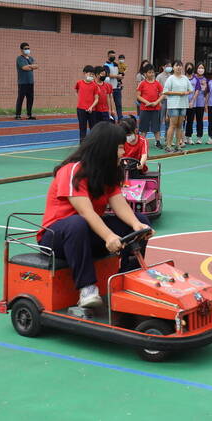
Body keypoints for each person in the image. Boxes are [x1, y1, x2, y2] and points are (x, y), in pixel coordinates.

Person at [39, 122, 153, 308]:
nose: (123, 152)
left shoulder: (107, 173)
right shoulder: (72, 171)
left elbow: (119, 204)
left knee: (141, 221)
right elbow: (86, 212)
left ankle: (128, 280)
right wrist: (108, 236)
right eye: (120, 148)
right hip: (56, 238)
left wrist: (136, 225)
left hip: (87, 234)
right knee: (77, 222)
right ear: (105, 149)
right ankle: (87, 289)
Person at [162, 60, 192, 152]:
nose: (178, 67)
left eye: (180, 66)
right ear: (173, 68)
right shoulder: (171, 78)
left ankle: (178, 145)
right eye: (176, 65)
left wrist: (186, 92)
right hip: (173, 105)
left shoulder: (185, 78)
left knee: (180, 125)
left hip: (183, 105)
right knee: (172, 125)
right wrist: (178, 93)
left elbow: (191, 89)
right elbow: (165, 91)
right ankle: (168, 145)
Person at [136, 63, 164, 149]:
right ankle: (142, 143)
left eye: (152, 72)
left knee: (156, 126)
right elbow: (138, 95)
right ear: (145, 74)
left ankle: (158, 141)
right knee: (143, 127)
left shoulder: (157, 83)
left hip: (155, 108)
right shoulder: (142, 83)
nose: (151, 74)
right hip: (145, 108)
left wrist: (156, 102)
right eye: (149, 72)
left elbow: (162, 94)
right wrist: (146, 102)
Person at [74, 65, 99, 141]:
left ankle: (92, 144)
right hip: (81, 109)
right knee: (82, 128)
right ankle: (82, 145)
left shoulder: (95, 85)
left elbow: (97, 99)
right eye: (89, 74)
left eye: (92, 74)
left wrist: (91, 107)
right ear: (84, 73)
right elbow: (76, 91)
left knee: (93, 128)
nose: (91, 76)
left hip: (92, 110)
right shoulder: (79, 83)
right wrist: (80, 99)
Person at [15, 42, 39, 120]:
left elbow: (37, 66)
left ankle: (29, 115)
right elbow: (24, 68)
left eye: (28, 48)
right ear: (21, 50)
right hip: (22, 82)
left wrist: (30, 66)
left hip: (30, 82)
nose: (27, 50)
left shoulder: (31, 58)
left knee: (30, 99)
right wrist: (31, 66)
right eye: (26, 49)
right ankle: (18, 115)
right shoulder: (19, 58)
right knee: (20, 98)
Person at [185, 63, 208, 144]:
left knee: (199, 120)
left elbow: (205, 93)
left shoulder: (205, 80)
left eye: (202, 68)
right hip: (189, 103)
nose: (200, 69)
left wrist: (205, 104)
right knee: (187, 120)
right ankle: (185, 136)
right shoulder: (191, 77)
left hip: (199, 103)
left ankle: (199, 137)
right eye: (199, 68)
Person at [156, 60, 173, 141]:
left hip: (169, 101)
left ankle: (167, 137)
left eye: (170, 66)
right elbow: (156, 90)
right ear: (163, 67)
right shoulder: (159, 77)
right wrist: (158, 101)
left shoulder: (171, 76)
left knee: (168, 120)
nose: (169, 67)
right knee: (159, 120)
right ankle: (158, 139)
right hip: (162, 101)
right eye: (167, 66)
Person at [114, 54, 128, 120]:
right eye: (120, 59)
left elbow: (125, 71)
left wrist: (123, 73)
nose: (121, 60)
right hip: (113, 86)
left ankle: (120, 117)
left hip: (118, 86)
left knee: (119, 104)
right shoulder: (116, 65)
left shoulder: (124, 65)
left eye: (122, 59)